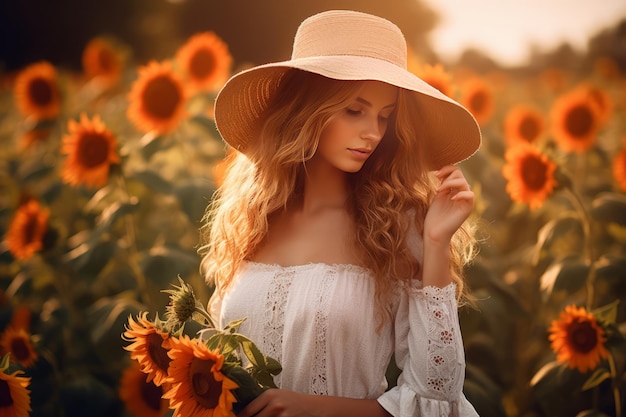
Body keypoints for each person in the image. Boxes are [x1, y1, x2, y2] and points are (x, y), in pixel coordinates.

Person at [200, 9, 482, 417]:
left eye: (385, 116)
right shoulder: (252, 218)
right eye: (355, 110)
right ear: (306, 108)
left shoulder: (395, 228)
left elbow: (433, 398)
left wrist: (436, 242)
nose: (373, 132)